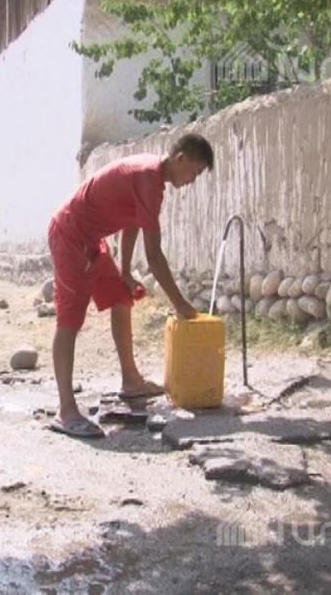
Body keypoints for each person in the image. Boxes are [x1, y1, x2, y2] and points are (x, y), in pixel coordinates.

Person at [47, 133, 214, 438]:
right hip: (69, 235)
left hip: (90, 240)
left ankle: (131, 381)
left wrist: (124, 272)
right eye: (194, 172)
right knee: (69, 320)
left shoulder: (151, 178)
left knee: (121, 295)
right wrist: (180, 304)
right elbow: (154, 255)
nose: (192, 181)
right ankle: (66, 410)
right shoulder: (148, 178)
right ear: (180, 159)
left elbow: (132, 222)